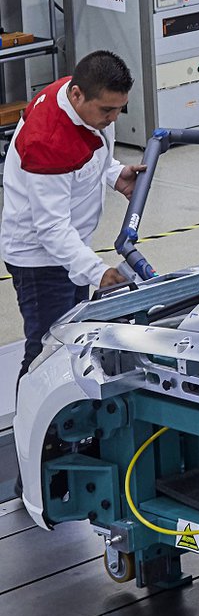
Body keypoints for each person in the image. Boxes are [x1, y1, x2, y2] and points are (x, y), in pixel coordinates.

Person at [4, 52, 144, 380]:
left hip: (71, 250)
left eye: (119, 109)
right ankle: (32, 414)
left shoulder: (79, 95)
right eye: (107, 110)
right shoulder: (47, 140)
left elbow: (87, 153)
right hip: (41, 260)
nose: (113, 118)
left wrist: (114, 173)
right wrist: (98, 271)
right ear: (78, 95)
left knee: (76, 342)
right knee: (46, 355)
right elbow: (51, 229)